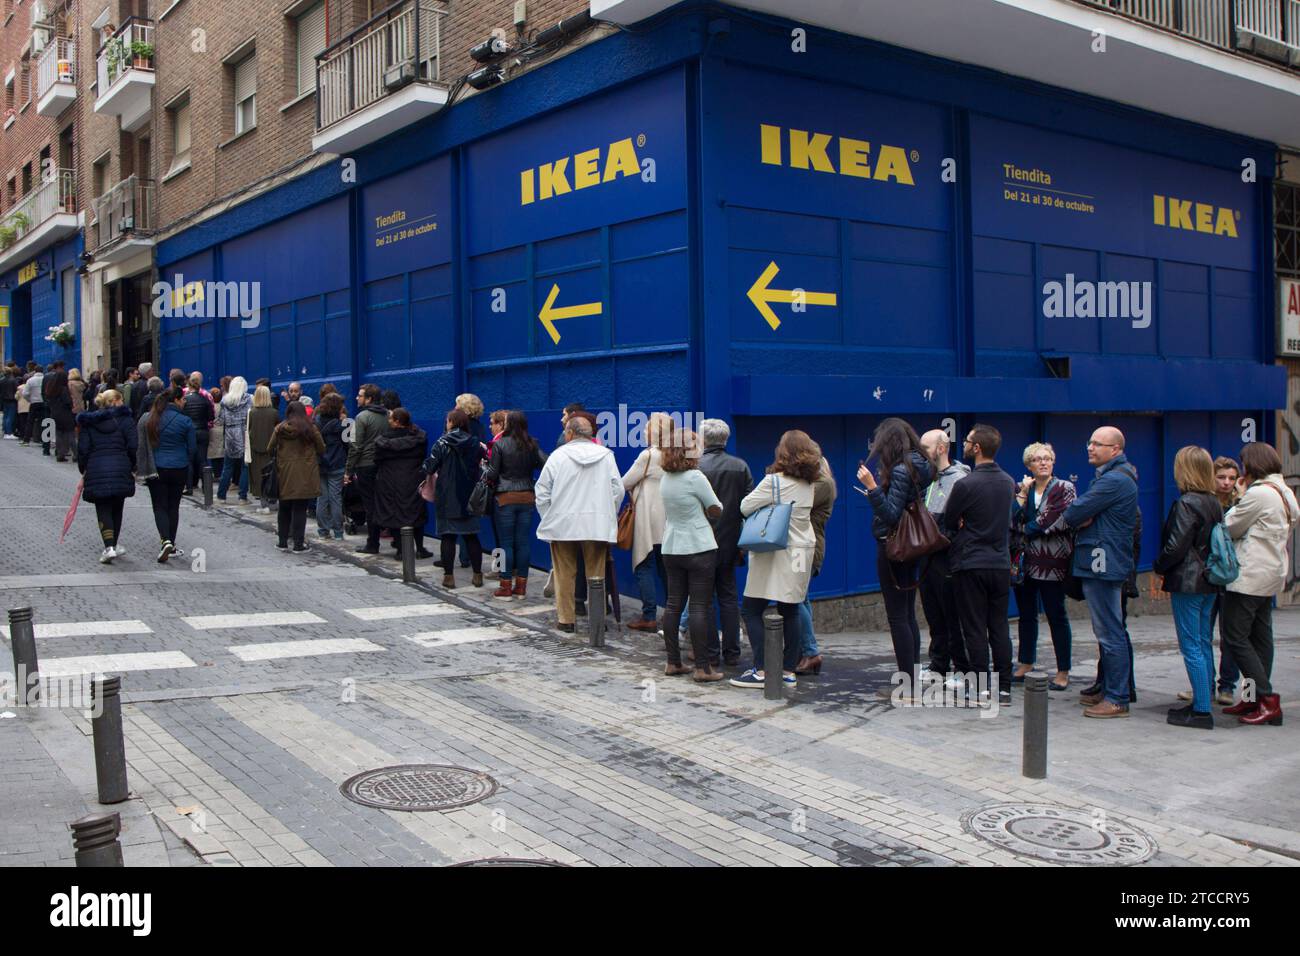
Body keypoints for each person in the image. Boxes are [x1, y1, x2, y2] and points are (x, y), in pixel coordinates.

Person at [730, 430, 818, 689]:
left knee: (751, 608)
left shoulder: (774, 482)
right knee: (790, 608)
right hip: (801, 549)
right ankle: (789, 670)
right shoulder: (810, 482)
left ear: (783, 452)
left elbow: (745, 506)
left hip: (774, 551)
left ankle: (762, 669)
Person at [1063, 426, 1139, 719]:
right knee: (1110, 630)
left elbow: (1072, 513)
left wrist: (1084, 516)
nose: (1090, 448)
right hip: (1102, 560)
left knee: (1109, 632)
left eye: (1098, 444)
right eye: (1089, 441)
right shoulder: (1112, 478)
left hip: (1103, 563)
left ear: (1115, 449)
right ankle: (1112, 688)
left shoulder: (1113, 482)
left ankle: (1117, 697)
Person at [1220, 442, 1297, 727]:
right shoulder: (1284, 490)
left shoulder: (1259, 494)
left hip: (1249, 576)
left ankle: (1267, 699)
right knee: (1261, 638)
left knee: (1235, 637)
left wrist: (1240, 497)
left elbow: (1229, 526)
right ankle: (1251, 699)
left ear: (1252, 465)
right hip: (1272, 572)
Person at [942, 424, 1017, 706]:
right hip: (999, 562)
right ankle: (1005, 687)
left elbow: (950, 521)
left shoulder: (966, 484)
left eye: (968, 440)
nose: (963, 443)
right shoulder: (1008, 481)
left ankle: (981, 686)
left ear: (977, 448)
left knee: (973, 627)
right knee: (999, 625)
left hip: (970, 562)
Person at [859, 417, 933, 697]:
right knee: (907, 613)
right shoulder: (922, 464)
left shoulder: (902, 470)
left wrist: (872, 488)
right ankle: (912, 675)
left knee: (897, 616)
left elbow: (890, 514)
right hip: (914, 544)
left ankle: (908, 684)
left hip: (896, 546)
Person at [1153, 446, 1224, 730]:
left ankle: (1202, 710)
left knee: (1191, 644)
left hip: (1188, 581)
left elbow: (1175, 546)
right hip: (1210, 579)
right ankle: (1202, 700)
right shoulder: (1214, 502)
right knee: (1204, 641)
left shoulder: (1186, 503)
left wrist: (1159, 565)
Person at [535, 415, 624, 632]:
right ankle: (597, 620)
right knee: (596, 573)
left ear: (569, 433)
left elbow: (542, 491)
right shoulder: (605, 456)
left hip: (563, 523)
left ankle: (566, 620)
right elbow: (618, 489)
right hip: (596, 523)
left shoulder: (558, 456)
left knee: (564, 573)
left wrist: (549, 516)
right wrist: (607, 513)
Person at [657, 429, 726, 682]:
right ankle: (702, 668)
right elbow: (715, 508)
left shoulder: (666, 478)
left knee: (673, 604)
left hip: (672, 546)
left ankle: (673, 662)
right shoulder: (695, 477)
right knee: (699, 606)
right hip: (698, 546)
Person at [1010, 442, 1077, 691]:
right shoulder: (1022, 488)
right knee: (1026, 615)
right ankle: (1026, 661)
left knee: (1056, 615)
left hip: (1053, 563)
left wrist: (1024, 529)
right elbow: (1011, 517)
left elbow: (1053, 520)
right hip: (1025, 563)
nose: (1044, 462)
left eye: (1048, 458)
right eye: (1038, 459)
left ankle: (1063, 670)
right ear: (1029, 465)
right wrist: (1023, 494)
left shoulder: (1063, 488)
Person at [697, 418, 753, 668]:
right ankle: (732, 652)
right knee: (729, 597)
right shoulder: (740, 467)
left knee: (705, 598)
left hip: (702, 540)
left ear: (703, 439)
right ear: (725, 439)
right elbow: (750, 506)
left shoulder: (696, 467)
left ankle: (710, 653)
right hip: (731, 540)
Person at [917, 428, 971, 684]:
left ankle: (962, 668)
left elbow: (958, 520)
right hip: (926, 553)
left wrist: (937, 534)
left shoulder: (959, 478)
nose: (921, 453)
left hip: (947, 554)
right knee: (933, 612)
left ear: (941, 448)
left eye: (925, 448)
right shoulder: (927, 478)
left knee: (953, 614)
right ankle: (938, 664)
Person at [482, 410, 547, 598]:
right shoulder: (532, 444)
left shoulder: (500, 444)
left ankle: (505, 586)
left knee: (506, 543)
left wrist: (484, 469)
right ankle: (521, 587)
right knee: (523, 542)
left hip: (505, 498)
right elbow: (547, 464)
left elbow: (492, 474)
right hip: (527, 496)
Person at [423, 408, 485, 587]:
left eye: (448, 420)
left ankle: (449, 576)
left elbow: (430, 467)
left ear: (452, 422)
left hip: (447, 495)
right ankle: (477, 574)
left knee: (448, 537)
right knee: (471, 536)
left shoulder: (442, 442)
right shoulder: (474, 443)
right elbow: (484, 463)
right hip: (470, 495)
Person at [622, 412, 672, 633]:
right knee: (666, 569)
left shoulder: (648, 456)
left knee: (644, 565)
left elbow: (624, 483)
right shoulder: (675, 454)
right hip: (669, 518)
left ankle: (649, 615)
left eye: (646, 428)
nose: (642, 431)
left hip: (648, 517)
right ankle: (672, 615)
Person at [76, 389, 137, 564]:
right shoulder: (126, 420)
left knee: (102, 507)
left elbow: (83, 449)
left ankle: (109, 547)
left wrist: (84, 468)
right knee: (117, 507)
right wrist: (131, 465)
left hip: (96, 467)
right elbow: (133, 445)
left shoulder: (89, 422)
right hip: (120, 466)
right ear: (117, 401)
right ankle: (113, 545)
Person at [139, 389, 197, 563]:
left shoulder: (149, 419)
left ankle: (165, 540)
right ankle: (171, 543)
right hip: (179, 467)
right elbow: (192, 449)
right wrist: (185, 459)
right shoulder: (185, 421)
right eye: (183, 399)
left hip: (156, 468)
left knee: (159, 506)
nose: (185, 402)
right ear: (176, 400)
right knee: (173, 506)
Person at [795, 458, 836, 676]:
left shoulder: (823, 485)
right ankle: (806, 650)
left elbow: (796, 503)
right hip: (805, 546)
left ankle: (811, 652)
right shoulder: (820, 483)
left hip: (806, 548)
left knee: (796, 597)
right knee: (803, 597)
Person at [373, 407, 431, 558]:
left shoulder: (384, 440)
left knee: (394, 514)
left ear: (397, 422)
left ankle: (401, 550)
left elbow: (377, 459)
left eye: (391, 418)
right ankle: (420, 548)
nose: (389, 420)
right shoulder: (419, 438)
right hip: (413, 478)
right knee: (416, 513)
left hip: (390, 480)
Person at [268, 401, 324, 552]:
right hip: (305, 474)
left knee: (284, 508)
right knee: (300, 509)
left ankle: (282, 542)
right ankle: (298, 544)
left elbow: (269, 448)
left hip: (284, 472)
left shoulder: (280, 429)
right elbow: (321, 448)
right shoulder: (310, 429)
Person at [347, 384, 390, 553]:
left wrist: (348, 470)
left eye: (360, 395)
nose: (357, 398)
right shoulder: (388, 415)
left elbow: (355, 446)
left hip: (365, 464)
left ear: (369, 399)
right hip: (384, 464)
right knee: (385, 501)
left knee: (369, 504)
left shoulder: (362, 417)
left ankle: (373, 543)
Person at [314, 393, 349, 540]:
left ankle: (323, 530)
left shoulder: (316, 422)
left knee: (322, 497)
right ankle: (338, 532)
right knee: (336, 498)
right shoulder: (343, 424)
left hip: (320, 463)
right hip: (337, 463)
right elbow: (349, 445)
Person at [216, 377, 252, 502]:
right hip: (243, 434)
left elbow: (221, 420)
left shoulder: (225, 400)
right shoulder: (249, 399)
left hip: (230, 435)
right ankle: (242, 496)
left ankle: (221, 495)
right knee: (245, 466)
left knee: (228, 467)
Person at [246, 385, 278, 512]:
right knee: (272, 475)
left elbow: (248, 431)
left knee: (258, 476)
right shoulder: (274, 413)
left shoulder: (252, 413)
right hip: (270, 451)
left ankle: (263, 502)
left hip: (255, 450)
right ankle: (272, 501)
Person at [182, 373, 214, 494]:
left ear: (189, 385)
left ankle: (189, 487)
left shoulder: (185, 400)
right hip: (203, 431)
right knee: (203, 460)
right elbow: (211, 416)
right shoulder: (205, 399)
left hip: (190, 431)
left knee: (189, 460)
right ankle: (206, 488)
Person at [44, 362, 75, 462]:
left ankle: (60, 454)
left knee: (58, 434)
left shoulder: (51, 389)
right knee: (70, 434)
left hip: (55, 413)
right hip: (65, 414)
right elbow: (67, 402)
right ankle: (76, 453)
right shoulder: (63, 389)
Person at [24, 364, 46, 452]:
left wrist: (30, 400)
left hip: (34, 403)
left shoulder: (30, 380)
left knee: (30, 421)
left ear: (35, 371)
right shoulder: (45, 379)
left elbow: (25, 393)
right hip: (43, 403)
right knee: (43, 421)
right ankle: (43, 439)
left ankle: (26, 439)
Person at [206, 386, 225, 482]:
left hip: (213, 431)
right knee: (221, 453)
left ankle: (216, 474)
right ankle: (220, 473)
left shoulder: (211, 407)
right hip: (222, 430)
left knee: (214, 455)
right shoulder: (223, 406)